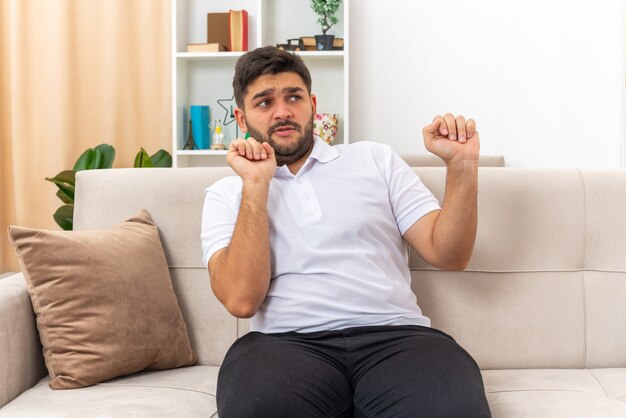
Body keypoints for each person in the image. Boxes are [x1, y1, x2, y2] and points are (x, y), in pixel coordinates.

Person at [201, 46, 491, 418]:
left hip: (396, 338)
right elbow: (241, 302)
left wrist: (462, 165)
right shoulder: (226, 195)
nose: (283, 111)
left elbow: (450, 255)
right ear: (241, 117)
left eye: (294, 96)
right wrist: (256, 186)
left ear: (313, 103)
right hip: (281, 347)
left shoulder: (375, 159)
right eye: (264, 102)